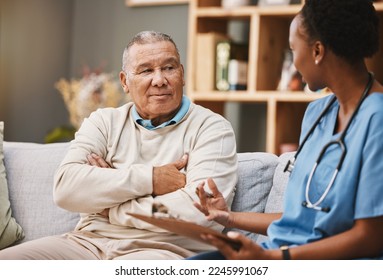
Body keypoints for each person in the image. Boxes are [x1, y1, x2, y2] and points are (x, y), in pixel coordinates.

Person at [0, 31, 238, 259]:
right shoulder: (103, 122)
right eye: (146, 70)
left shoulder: (212, 128)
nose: (159, 80)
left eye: (169, 67)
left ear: (182, 74)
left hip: (162, 250)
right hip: (87, 243)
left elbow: (198, 212)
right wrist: (152, 179)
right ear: (125, 81)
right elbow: (65, 188)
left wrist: (112, 206)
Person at [189, 0, 383, 260]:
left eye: (293, 49)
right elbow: (300, 219)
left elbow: (370, 237)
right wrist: (228, 217)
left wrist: (276, 260)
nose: (293, 62)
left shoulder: (377, 118)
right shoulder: (317, 114)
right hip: (282, 254)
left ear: (317, 51)